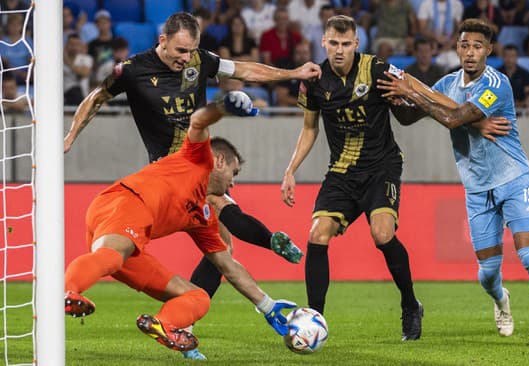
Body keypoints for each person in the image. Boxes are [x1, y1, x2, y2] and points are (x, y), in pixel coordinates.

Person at [63, 12, 319, 359]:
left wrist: (292, 73)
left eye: (192, 50)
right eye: (181, 50)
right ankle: (67, 290)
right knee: (124, 249)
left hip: (182, 195)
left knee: (214, 262)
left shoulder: (200, 61)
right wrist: (70, 136)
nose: (186, 58)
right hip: (160, 179)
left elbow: (244, 69)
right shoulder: (133, 71)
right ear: (162, 40)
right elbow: (97, 97)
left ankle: (175, 325)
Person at [377, 18, 529, 340]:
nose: (470, 52)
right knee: (488, 275)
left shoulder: (497, 83)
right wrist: (394, 98)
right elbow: (411, 117)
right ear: (457, 48)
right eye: (465, 45)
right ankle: (501, 300)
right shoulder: (447, 84)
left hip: (514, 178)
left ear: (488, 51)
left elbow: (453, 119)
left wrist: (413, 90)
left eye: (477, 47)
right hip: (477, 188)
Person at [64, 91, 298, 356]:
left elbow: (227, 266)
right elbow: (198, 121)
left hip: (129, 243)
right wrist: (224, 106)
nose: (233, 182)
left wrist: (266, 304)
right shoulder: (197, 157)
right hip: (125, 203)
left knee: (197, 298)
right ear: (219, 161)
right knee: (114, 254)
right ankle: (66, 292)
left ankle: (165, 325)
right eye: (234, 173)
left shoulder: (204, 217)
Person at [280, 15, 423, 341]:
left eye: (346, 44)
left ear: (356, 44)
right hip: (342, 172)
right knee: (317, 235)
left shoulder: (377, 69)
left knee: (382, 234)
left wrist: (414, 98)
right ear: (324, 43)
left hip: (381, 167)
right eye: (334, 43)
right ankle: (315, 319)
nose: (340, 50)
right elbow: (309, 128)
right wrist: (290, 171)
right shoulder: (314, 79)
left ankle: (410, 305)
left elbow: (410, 98)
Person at [498, 44, 529, 108]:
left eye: (512, 56)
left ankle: (527, 118)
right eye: (506, 56)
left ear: (517, 58)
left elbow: (528, 93)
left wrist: (520, 103)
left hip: (520, 104)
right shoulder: (495, 74)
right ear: (502, 57)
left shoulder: (525, 74)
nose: (509, 59)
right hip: (500, 104)